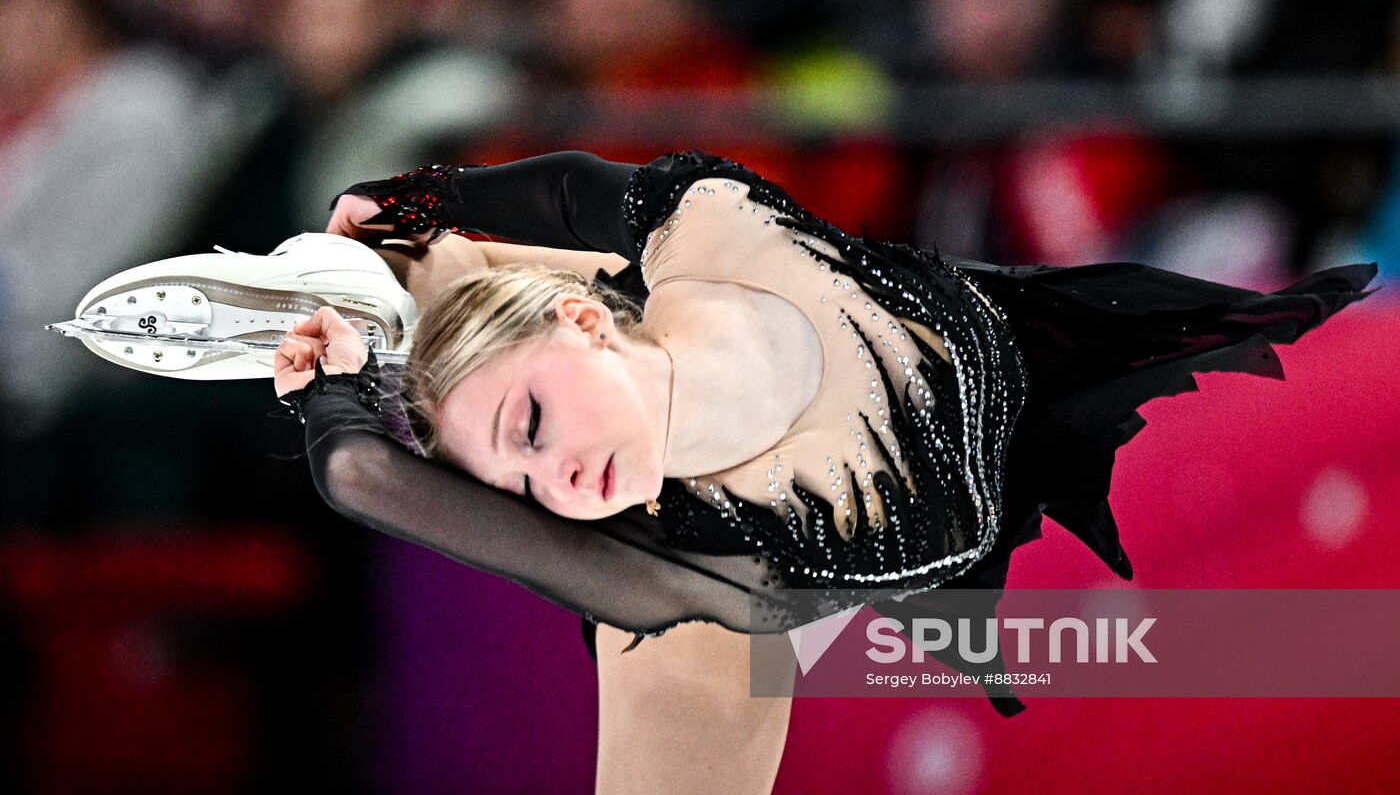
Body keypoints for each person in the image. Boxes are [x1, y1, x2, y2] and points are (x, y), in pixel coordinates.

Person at [73, 149, 1379, 793]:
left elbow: (587, 205)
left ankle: (404, 288)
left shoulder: (721, 236)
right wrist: (345, 397)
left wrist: (415, 202)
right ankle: (398, 304)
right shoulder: (680, 602)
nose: (554, 487)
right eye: (515, 488)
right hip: (758, 577)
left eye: (531, 436)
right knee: (687, 600)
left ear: (584, 324)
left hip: (1029, 350)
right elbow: (367, 484)